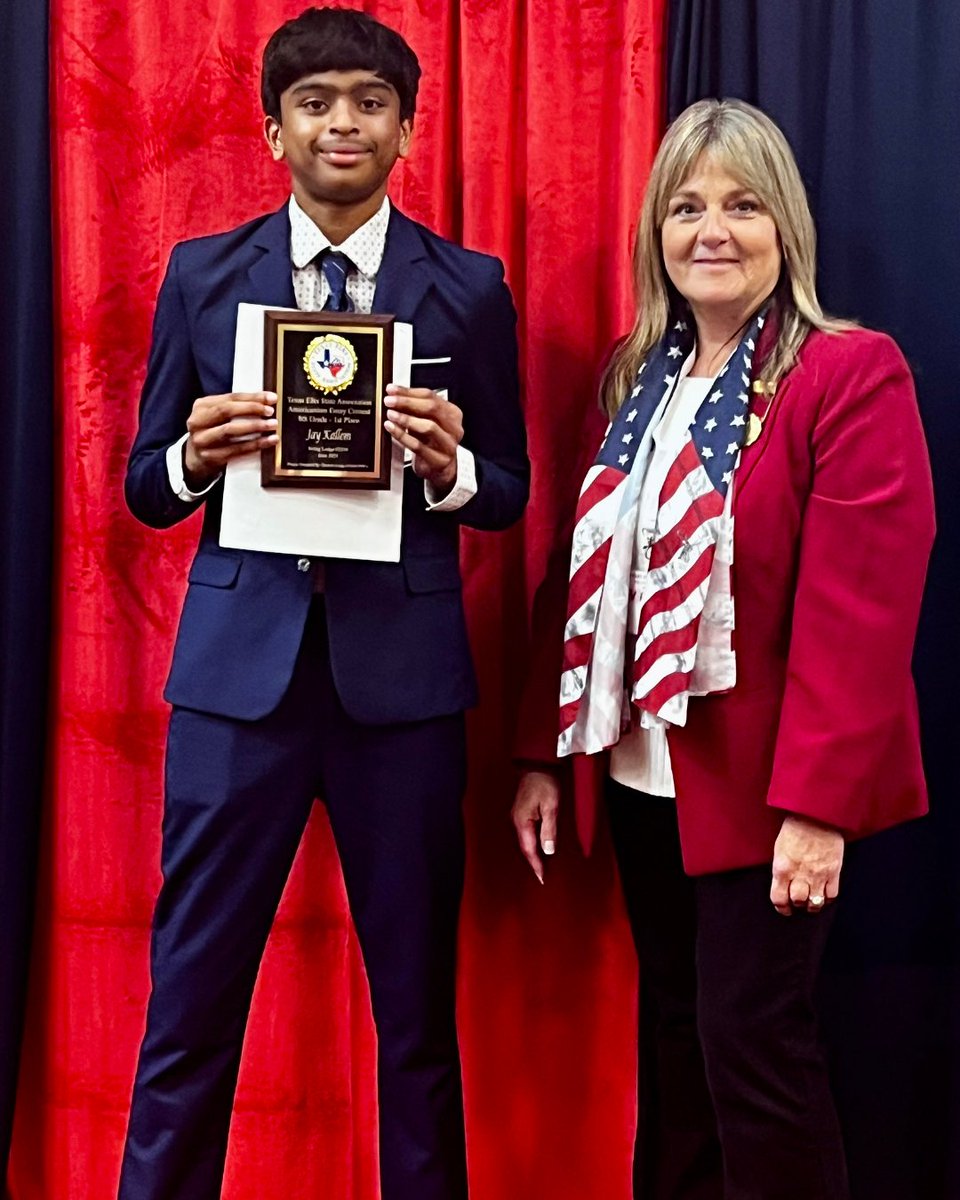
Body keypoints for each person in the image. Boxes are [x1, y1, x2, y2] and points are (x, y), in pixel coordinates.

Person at [119, 9, 528, 1199]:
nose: (340, 121)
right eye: (314, 102)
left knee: (414, 1015)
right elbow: (145, 485)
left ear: (407, 127)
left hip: (398, 695)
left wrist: (448, 463)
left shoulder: (467, 287)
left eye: (366, 101)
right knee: (190, 1003)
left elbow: (506, 492)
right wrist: (196, 454)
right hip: (235, 691)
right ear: (272, 129)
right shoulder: (202, 276)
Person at [512, 98, 934, 1200]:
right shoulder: (634, 378)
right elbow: (581, 576)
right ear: (655, 229)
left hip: (768, 789)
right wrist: (541, 755)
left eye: (743, 206)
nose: (713, 229)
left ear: (784, 227)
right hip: (648, 773)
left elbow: (863, 611)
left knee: (756, 1056)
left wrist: (819, 806)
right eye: (688, 206)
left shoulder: (844, 374)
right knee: (678, 1043)